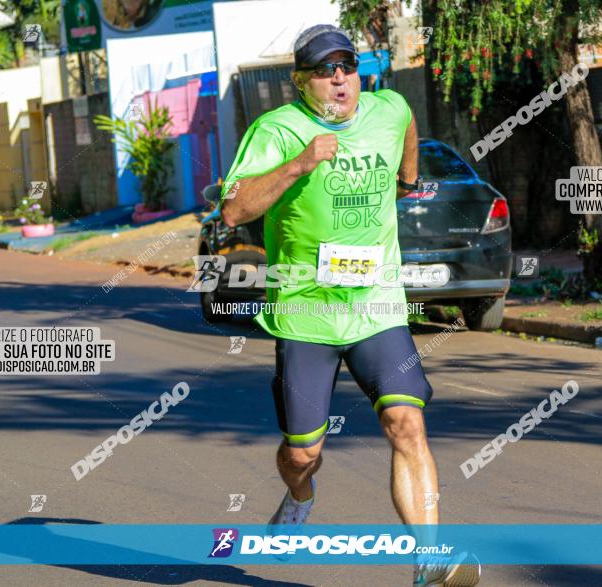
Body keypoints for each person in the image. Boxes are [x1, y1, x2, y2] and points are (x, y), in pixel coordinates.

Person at [219, 24, 480, 586]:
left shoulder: (387, 109)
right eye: (323, 68)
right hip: (307, 313)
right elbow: (234, 212)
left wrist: (409, 175)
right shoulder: (277, 130)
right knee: (302, 454)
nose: (338, 77)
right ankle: (299, 497)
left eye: (346, 65)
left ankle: (430, 561)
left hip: (377, 306)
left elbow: (407, 122)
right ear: (301, 82)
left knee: (406, 422)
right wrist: (298, 164)